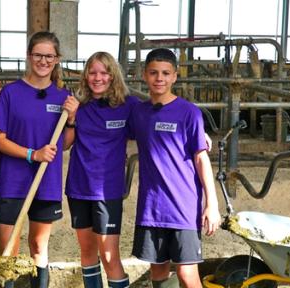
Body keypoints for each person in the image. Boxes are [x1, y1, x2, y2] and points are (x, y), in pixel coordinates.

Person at [129, 48, 221, 288]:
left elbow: (201, 159)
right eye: (154, 72)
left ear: (174, 77)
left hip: (183, 207)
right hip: (151, 208)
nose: (159, 78)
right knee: (157, 271)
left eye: (165, 73)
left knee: (187, 275)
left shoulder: (189, 113)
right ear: (144, 75)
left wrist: (211, 204)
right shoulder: (138, 112)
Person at [0, 31, 79, 288]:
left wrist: (72, 119)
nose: (43, 61)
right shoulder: (10, 93)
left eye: (49, 56)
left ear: (57, 59)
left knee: (39, 246)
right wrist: (33, 154)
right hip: (13, 181)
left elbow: (61, 145)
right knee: (9, 247)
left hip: (46, 182)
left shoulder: (63, 98)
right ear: (29, 56)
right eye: (38, 55)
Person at [65, 51, 137, 288]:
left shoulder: (128, 105)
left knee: (109, 255)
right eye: (93, 72)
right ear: (85, 76)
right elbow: (65, 144)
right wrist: (71, 118)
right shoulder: (79, 105)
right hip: (78, 186)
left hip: (107, 191)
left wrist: (199, 133)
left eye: (104, 72)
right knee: (87, 251)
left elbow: (159, 117)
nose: (98, 78)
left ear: (113, 75)